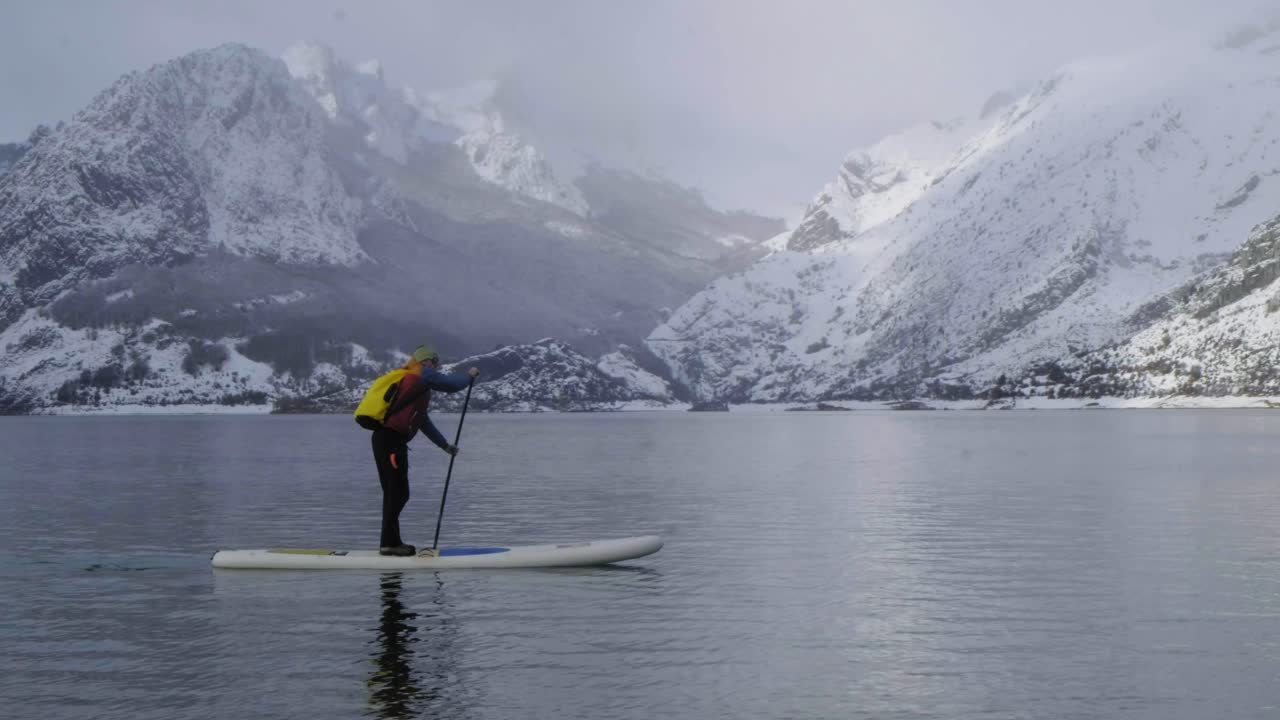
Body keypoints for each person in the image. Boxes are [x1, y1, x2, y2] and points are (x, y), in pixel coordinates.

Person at [371, 345, 480, 556]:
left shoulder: (411, 383)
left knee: (394, 493)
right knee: (399, 493)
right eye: (435, 362)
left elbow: (422, 421)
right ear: (426, 361)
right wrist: (469, 377)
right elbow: (450, 384)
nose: (436, 367)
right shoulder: (420, 373)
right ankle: (388, 544)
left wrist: (444, 445)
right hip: (391, 441)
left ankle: (391, 543)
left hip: (384, 440)